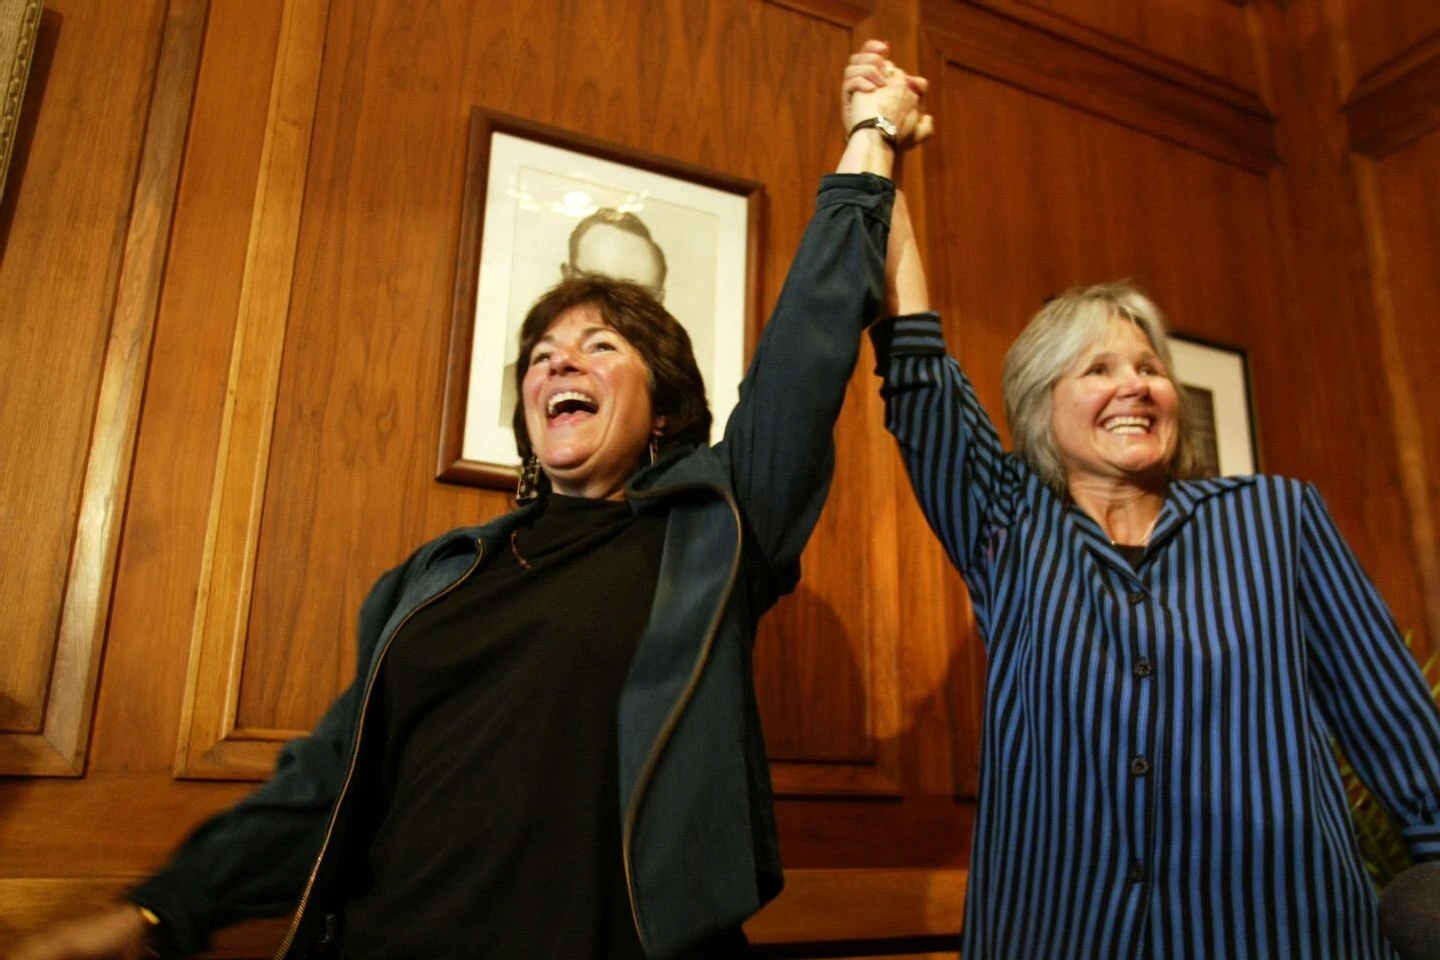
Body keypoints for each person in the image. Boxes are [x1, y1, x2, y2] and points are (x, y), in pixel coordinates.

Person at [7, 45, 929, 960]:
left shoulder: (715, 531)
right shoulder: (432, 580)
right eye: (540, 355)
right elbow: (325, 784)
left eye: (601, 346)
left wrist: (869, 132)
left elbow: (808, 342)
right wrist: (155, 913)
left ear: (665, 411)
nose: (558, 362)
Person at [848, 44, 1440, 958]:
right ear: (1042, 405)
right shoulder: (1008, 523)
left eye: (1149, 367)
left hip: (1283, 938)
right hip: (1062, 937)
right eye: (1099, 368)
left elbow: (1397, 724)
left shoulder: (1277, 520)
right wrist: (877, 135)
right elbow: (914, 356)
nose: (1136, 385)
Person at [500, 207, 669, 426]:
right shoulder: (510, 387)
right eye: (591, 287)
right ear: (566, 278)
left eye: (637, 300)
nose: (608, 313)